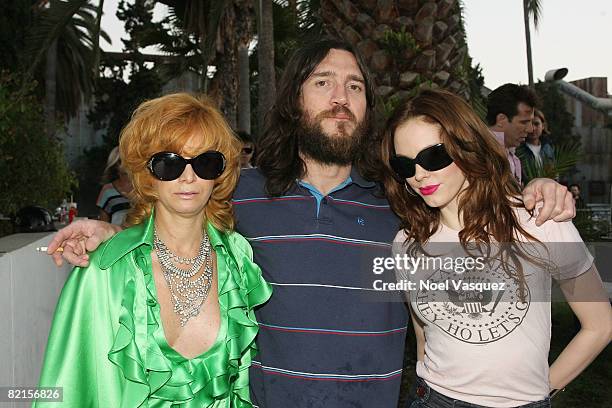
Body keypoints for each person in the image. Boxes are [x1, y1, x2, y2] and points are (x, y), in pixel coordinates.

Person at [46, 39, 576, 408]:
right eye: (323, 82)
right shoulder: (239, 192)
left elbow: (475, 209)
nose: (341, 98)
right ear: (294, 99)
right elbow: (175, 223)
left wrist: (536, 191)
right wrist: (111, 231)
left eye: (355, 86)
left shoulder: (404, 204)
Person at [35, 93, 272, 407]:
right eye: (168, 163)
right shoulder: (105, 271)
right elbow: (65, 392)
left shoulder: (237, 260)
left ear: (220, 174)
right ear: (147, 174)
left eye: (205, 162)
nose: (189, 176)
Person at [382, 89, 611, 407]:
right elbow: (424, 335)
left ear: (466, 146)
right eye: (405, 165)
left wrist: (541, 392)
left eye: (432, 156)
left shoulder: (539, 220)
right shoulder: (407, 242)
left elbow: (600, 325)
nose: (419, 175)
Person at [487, 83, 539, 185]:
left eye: (531, 122)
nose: (530, 129)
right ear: (501, 120)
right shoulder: (479, 156)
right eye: (524, 122)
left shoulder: (511, 156)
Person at [517, 108, 555, 183]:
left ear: (543, 126)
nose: (533, 128)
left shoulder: (548, 149)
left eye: (536, 124)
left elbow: (554, 173)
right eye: (529, 124)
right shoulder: (518, 149)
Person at [96, 146, 132, 225]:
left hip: (142, 236)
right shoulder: (107, 190)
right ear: (115, 165)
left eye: (129, 160)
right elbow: (103, 224)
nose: (125, 164)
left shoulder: (144, 188)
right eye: (121, 161)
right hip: (117, 236)